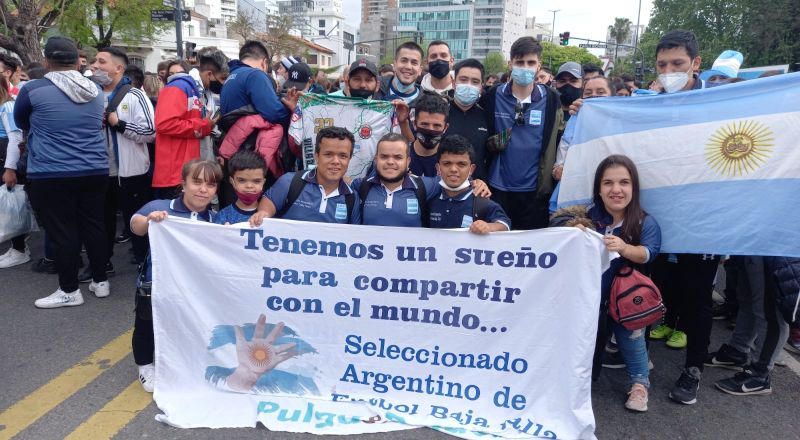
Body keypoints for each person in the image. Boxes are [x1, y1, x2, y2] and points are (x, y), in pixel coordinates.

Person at [15, 36, 111, 307]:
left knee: (62, 231)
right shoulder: (94, 89)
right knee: (94, 225)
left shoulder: (33, 89)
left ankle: (69, 290)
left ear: (47, 61)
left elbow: (21, 120)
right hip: (95, 168)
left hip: (51, 171)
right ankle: (100, 281)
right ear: (77, 60)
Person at [130, 159, 223, 392]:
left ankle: (180, 363)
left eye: (210, 185)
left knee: (186, 325)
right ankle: (145, 366)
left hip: (193, 288)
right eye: (197, 182)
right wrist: (149, 221)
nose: (203, 189)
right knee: (146, 326)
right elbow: (134, 224)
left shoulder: (214, 219)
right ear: (183, 184)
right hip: (156, 283)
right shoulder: (161, 206)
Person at [583, 154, 661, 412]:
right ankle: (580, 380)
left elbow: (649, 253)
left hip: (627, 299)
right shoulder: (587, 216)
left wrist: (626, 248)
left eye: (624, 182)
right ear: (599, 189)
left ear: (634, 188)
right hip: (590, 296)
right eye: (608, 183)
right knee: (586, 339)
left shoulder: (645, 221)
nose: (616, 190)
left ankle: (640, 385)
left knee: (632, 338)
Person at [479, 36, 562, 230]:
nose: (525, 67)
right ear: (510, 64)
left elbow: (561, 138)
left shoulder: (551, 99)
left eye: (531, 62)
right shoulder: (493, 95)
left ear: (539, 65)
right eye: (520, 62)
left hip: (534, 193)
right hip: (497, 188)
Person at [88, 47, 155, 273]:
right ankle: (101, 265)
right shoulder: (89, 94)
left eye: (101, 61)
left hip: (131, 171)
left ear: (118, 68)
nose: (95, 65)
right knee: (100, 222)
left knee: (135, 220)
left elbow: (150, 132)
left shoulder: (134, 95)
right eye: (94, 61)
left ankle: (145, 265)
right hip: (97, 171)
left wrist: (120, 124)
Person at [715, 257, 795, 396]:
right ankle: (737, 351)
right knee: (748, 301)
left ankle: (760, 374)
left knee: (770, 312)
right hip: (754, 245)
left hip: (774, 250)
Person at [249, 127, 361, 226]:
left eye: (343, 156)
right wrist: (264, 213)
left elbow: (354, 238)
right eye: (328, 154)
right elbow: (269, 203)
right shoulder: (291, 181)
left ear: (349, 159)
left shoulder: (352, 198)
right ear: (317, 156)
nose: (335, 161)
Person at [152, 58, 214, 199]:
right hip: (180, 169)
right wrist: (205, 125)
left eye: (178, 72)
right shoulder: (186, 90)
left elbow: (168, 124)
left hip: (178, 169)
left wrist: (206, 125)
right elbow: (166, 124)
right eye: (171, 73)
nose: (175, 76)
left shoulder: (180, 89)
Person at [429, 135, 510, 233]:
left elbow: (505, 224)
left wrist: (489, 226)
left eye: (461, 164)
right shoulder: (430, 196)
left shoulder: (480, 200)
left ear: (471, 169)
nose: (454, 169)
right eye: (447, 163)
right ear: (438, 168)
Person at [221, 40, 294, 124]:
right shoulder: (255, 74)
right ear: (264, 62)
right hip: (251, 135)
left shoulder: (230, 77)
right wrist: (292, 110)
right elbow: (275, 113)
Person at [445, 58, 492, 180]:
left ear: (481, 87)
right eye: (463, 80)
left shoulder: (488, 116)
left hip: (478, 188)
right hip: (443, 186)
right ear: (454, 83)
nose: (468, 85)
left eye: (475, 81)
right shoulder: (441, 114)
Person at [0, 75, 27, 268]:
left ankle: (19, 249)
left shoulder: (8, 107)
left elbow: (16, 138)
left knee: (12, 206)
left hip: (5, 161)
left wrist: (10, 168)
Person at [196, 47, 230, 162]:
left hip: (209, 152)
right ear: (209, 73)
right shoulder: (192, 89)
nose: (223, 83)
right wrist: (207, 125)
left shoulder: (209, 90)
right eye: (222, 78)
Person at [215, 150, 267, 225]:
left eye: (256, 181)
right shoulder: (223, 216)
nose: (249, 186)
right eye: (242, 180)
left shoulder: (270, 217)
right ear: (232, 181)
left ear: (263, 183)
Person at [409, 93, 449, 177]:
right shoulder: (400, 156)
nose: (431, 129)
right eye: (425, 124)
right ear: (414, 124)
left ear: (445, 128)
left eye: (437, 126)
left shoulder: (451, 160)